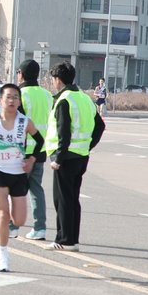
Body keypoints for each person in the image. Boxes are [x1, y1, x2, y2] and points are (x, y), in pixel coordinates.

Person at [0, 83, 43, 272]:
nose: (12, 100)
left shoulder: (25, 122)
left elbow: (40, 141)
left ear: (19, 102)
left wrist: (31, 159)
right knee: (3, 215)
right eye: (8, 97)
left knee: (19, 221)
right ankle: (3, 257)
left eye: (15, 97)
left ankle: (11, 203)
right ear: (0, 100)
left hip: (19, 174)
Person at [43, 62, 105, 252]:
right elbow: (100, 126)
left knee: (62, 199)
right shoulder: (85, 98)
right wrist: (88, 145)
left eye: (54, 79)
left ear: (58, 80)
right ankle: (72, 239)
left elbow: (64, 132)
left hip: (65, 158)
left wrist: (58, 159)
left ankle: (64, 240)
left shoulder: (64, 100)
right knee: (72, 199)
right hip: (81, 156)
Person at [17, 60, 54, 241]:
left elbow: (17, 123)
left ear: (21, 74)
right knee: (36, 189)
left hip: (23, 149)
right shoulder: (47, 95)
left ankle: (11, 226)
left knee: (15, 189)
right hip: (41, 149)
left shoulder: (19, 94)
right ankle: (40, 228)